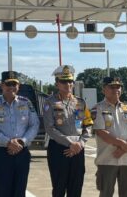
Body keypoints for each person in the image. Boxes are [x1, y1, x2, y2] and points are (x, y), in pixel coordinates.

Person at [0, 71, 40, 197]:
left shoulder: (26, 103)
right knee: (2, 191)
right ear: (2, 85)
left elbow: (34, 125)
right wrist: (8, 142)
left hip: (22, 152)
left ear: (18, 86)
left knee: (20, 191)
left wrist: (22, 141)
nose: (11, 87)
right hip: (2, 153)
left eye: (14, 84)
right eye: (8, 84)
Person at [42, 65, 93, 197]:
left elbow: (88, 125)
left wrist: (80, 143)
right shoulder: (49, 102)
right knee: (59, 188)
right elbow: (50, 128)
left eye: (70, 81)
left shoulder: (80, 103)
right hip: (59, 149)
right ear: (57, 84)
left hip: (78, 149)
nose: (68, 84)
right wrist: (70, 143)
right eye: (64, 81)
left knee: (76, 187)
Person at [92, 76, 127, 197]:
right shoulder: (98, 108)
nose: (116, 89)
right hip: (107, 160)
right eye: (111, 87)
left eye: (118, 87)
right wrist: (122, 144)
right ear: (103, 90)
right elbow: (101, 132)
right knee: (106, 194)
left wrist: (125, 147)